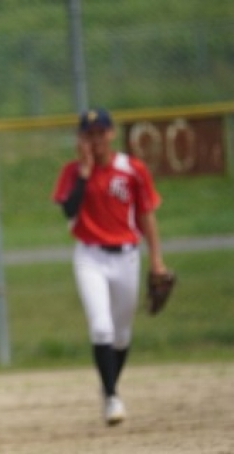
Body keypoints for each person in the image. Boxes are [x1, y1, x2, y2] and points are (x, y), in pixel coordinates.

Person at [52, 108, 169, 426]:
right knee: (101, 327)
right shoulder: (72, 172)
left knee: (121, 335)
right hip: (90, 257)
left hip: (127, 257)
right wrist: (85, 173)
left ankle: (108, 387)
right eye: (88, 134)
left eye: (100, 132)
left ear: (111, 133)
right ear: (80, 138)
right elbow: (69, 210)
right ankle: (113, 396)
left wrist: (156, 260)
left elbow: (146, 216)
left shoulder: (132, 169)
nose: (95, 139)